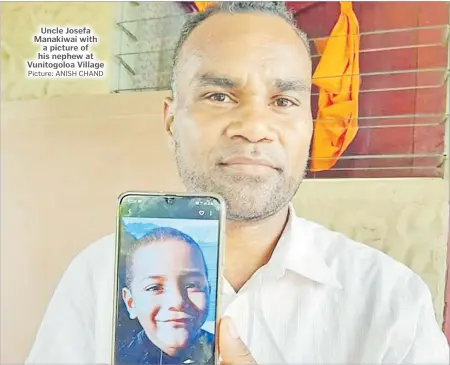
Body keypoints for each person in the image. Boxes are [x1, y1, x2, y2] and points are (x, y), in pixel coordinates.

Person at [26, 2, 449, 364]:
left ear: (309, 125)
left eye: (283, 101)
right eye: (219, 96)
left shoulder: (392, 300)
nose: (254, 127)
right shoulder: (96, 278)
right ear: (172, 120)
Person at [117, 227, 214, 365]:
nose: (177, 301)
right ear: (131, 302)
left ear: (208, 292)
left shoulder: (227, 354)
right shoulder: (120, 360)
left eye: (192, 285)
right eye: (154, 287)